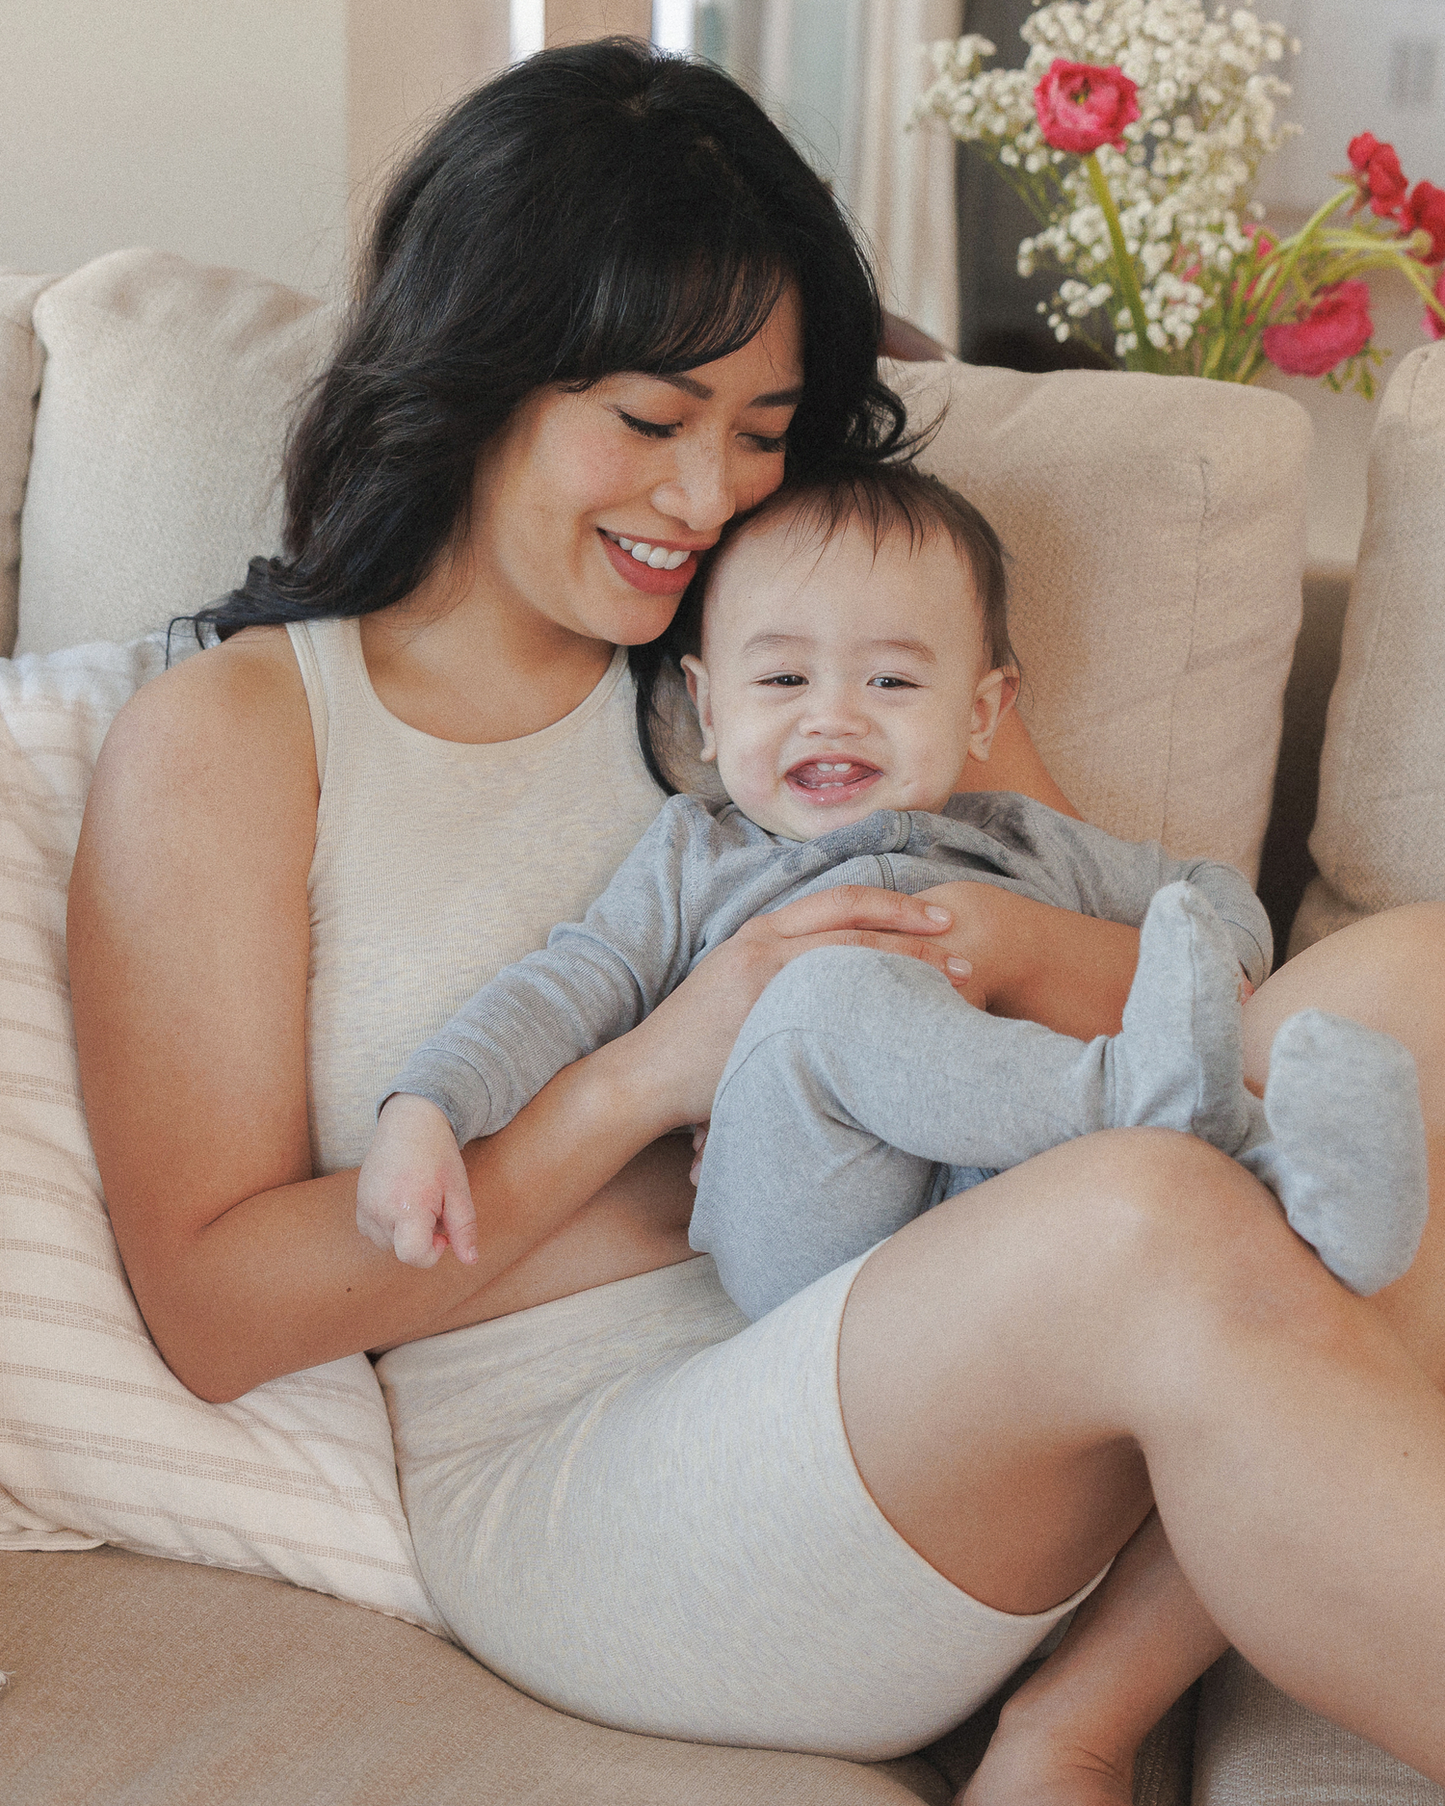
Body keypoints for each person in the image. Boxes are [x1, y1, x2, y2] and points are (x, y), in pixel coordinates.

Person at [64, 38, 1445, 1799]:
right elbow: (215, 1304)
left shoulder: (811, 633)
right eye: (650, 423)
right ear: (479, 372)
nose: (708, 497)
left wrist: (999, 960)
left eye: (762, 432)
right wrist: (655, 1080)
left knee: (1407, 989)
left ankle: (1075, 1720)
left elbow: (1144, 969)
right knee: (1148, 1215)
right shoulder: (248, 733)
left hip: (965, 1305)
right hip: (599, 1472)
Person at [356, 465, 1427, 1316]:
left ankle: (1304, 1196)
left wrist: (1223, 955)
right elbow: (563, 986)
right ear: (707, 707)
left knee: (1176, 1151)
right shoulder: (701, 855)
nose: (833, 716)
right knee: (826, 995)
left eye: (891, 681)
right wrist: (430, 1104)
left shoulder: (1020, 841)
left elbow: (1197, 891)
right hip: (808, 1232)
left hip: (997, 1237)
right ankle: (1142, 1100)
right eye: (781, 679)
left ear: (979, 709)